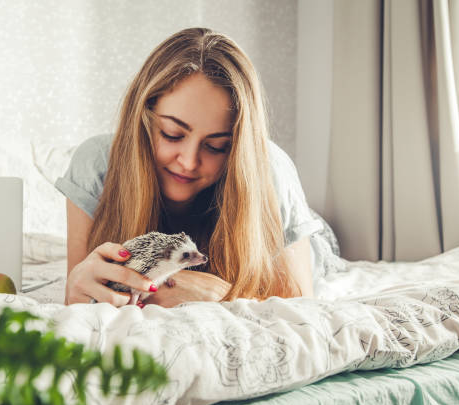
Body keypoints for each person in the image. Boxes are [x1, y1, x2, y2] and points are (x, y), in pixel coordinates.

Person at [55, 27, 323, 307]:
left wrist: (220, 296)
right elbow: (80, 298)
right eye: (172, 134)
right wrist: (78, 288)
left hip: (314, 240)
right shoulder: (96, 164)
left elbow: (302, 304)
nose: (189, 161)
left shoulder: (268, 169)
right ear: (143, 119)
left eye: (217, 146)